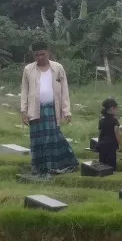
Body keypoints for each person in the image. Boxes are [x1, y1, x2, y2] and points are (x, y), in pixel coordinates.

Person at [20, 41, 78, 176]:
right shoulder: (28, 69)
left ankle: (55, 166)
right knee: (37, 140)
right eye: (36, 55)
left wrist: (66, 111)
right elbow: (24, 90)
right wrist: (23, 110)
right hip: (34, 109)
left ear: (48, 52)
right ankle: (39, 168)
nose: (39, 57)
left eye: (42, 54)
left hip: (51, 109)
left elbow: (64, 91)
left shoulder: (57, 68)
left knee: (52, 139)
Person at [97, 98, 122, 170]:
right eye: (116, 108)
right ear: (111, 108)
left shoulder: (101, 120)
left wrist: (98, 143)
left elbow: (100, 133)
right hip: (111, 145)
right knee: (111, 166)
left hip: (102, 144)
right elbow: (117, 134)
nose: (117, 110)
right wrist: (120, 145)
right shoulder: (114, 120)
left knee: (102, 165)